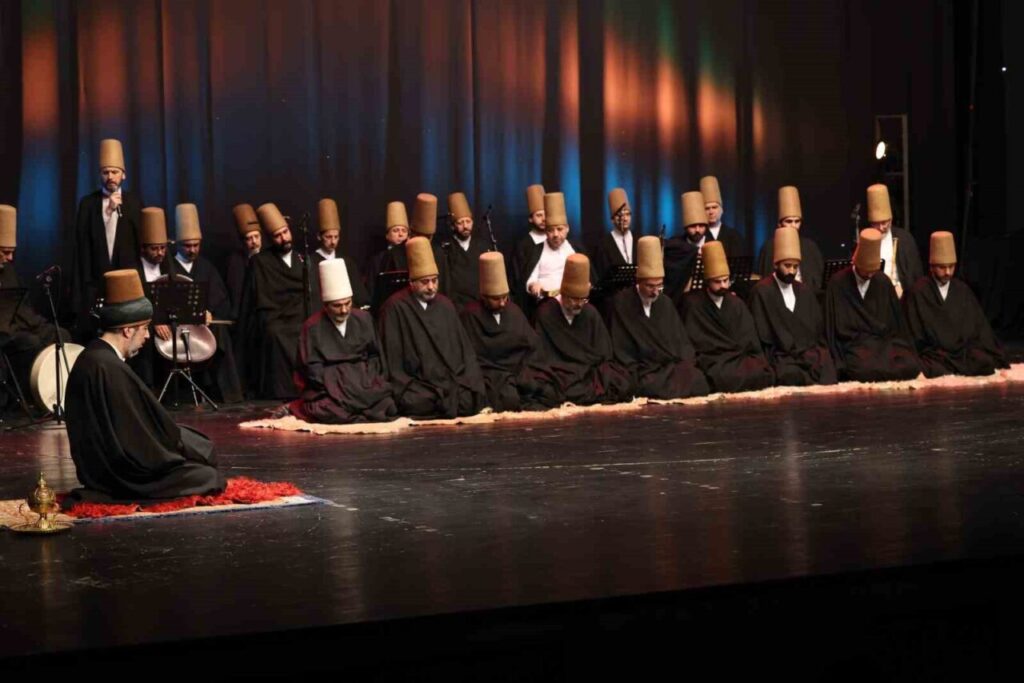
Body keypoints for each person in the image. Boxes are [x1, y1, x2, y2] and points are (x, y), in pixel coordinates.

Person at [64, 269, 224, 503]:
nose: (147, 336)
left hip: (96, 472)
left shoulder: (93, 357)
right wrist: (184, 448)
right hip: (121, 474)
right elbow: (141, 439)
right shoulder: (109, 367)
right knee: (208, 475)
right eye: (144, 328)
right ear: (128, 330)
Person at [377, 236, 486, 418]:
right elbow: (393, 363)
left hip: (448, 380)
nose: (431, 287)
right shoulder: (394, 308)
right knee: (416, 401)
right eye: (425, 281)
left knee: (468, 398)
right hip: (417, 383)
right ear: (411, 282)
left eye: (434, 281)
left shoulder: (445, 305)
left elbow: (463, 351)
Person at [287, 258, 396, 423]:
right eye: (337, 306)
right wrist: (340, 384)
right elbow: (311, 368)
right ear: (325, 305)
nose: (344, 310)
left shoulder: (364, 319)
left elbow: (375, 355)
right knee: (327, 409)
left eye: (348, 303)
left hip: (364, 384)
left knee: (388, 405)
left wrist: (365, 380)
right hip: (332, 390)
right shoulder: (312, 327)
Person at [460, 252, 564, 411]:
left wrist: (527, 369)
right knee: (508, 398)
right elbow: (471, 356)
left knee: (550, 391)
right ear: (484, 296)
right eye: (496, 299)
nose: (503, 303)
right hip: (491, 372)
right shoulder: (470, 314)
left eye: (505, 297)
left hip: (519, 368)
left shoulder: (513, 310)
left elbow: (532, 345)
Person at [609, 236, 709, 399]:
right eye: (650, 286)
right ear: (638, 281)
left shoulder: (665, 302)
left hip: (668, 365)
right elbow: (622, 346)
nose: (655, 292)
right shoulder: (622, 301)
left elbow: (680, 341)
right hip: (643, 368)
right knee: (643, 384)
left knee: (698, 379)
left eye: (659, 286)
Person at [238, 203, 320, 399]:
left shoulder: (303, 259)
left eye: (285, 232)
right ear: (269, 239)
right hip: (276, 316)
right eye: (278, 235)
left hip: (301, 313)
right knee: (275, 333)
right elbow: (256, 299)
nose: (284, 238)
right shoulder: (260, 262)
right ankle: (283, 390)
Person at [163, 203, 243, 403]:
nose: (192, 250)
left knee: (221, 334)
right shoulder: (168, 267)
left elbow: (220, 300)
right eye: (187, 245)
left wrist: (211, 313)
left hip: (203, 325)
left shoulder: (207, 267)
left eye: (196, 245)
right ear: (177, 244)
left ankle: (225, 394)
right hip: (176, 326)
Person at [902, 231, 1008, 377]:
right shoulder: (918, 291)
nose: (947, 272)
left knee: (984, 362)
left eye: (951, 267)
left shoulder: (962, 290)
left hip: (960, 352)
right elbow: (913, 334)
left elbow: (978, 328)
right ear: (931, 266)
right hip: (934, 354)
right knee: (921, 366)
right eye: (942, 267)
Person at [533, 254, 633, 405]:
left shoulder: (590, 312)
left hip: (588, 372)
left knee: (622, 381)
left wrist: (587, 368)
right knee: (545, 388)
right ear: (564, 294)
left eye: (583, 299)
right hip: (559, 372)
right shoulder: (546, 312)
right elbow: (541, 355)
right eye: (574, 299)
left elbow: (604, 353)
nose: (579, 304)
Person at [824, 228, 921, 382]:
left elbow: (896, 326)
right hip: (855, 346)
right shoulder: (838, 283)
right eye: (866, 271)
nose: (869, 275)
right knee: (862, 368)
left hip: (883, 344)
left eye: (873, 271)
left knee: (910, 364)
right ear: (856, 263)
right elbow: (834, 330)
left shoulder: (882, 281)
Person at [71, 139, 143, 338]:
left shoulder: (134, 203)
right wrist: (108, 212)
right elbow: (81, 247)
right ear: (100, 175)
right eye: (105, 172)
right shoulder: (87, 204)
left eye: (114, 172)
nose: (110, 177)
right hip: (95, 285)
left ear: (123, 174)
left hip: (126, 285)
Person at [681, 241, 775, 393]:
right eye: (717, 282)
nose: (723, 286)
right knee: (718, 377)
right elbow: (695, 343)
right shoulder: (693, 304)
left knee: (761, 371)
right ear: (707, 281)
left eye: (726, 280)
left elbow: (749, 339)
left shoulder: (736, 303)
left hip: (737, 356)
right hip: (714, 359)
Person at [0, 205, 72, 403]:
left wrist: (39, 325)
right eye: (5, 252)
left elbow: (22, 306)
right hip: (5, 330)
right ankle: (20, 399)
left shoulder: (8, 271)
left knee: (61, 334)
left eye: (12, 252)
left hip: (18, 324)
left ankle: (53, 397)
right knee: (30, 342)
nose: (10, 258)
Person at [749, 227, 837, 386]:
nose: (791, 271)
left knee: (826, 365)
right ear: (775, 264)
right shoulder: (762, 291)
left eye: (795, 267)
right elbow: (762, 334)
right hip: (781, 354)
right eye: (787, 265)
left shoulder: (804, 290)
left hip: (806, 351)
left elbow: (815, 328)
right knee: (789, 374)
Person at [755, 186, 825, 291]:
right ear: (779, 223)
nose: (793, 226)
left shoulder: (810, 247)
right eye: (788, 221)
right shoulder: (769, 248)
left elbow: (818, 281)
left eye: (797, 221)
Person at [866, 183, 923, 299]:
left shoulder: (905, 239)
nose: (881, 228)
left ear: (891, 219)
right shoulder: (865, 242)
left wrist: (904, 292)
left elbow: (916, 277)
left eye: (884, 222)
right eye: (876, 224)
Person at [311, 198, 369, 308]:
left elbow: (359, 293)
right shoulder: (311, 262)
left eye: (336, 237)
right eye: (328, 237)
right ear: (319, 237)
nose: (333, 241)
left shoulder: (347, 262)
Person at [442, 191, 491, 309]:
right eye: (460, 223)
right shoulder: (446, 249)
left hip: (481, 304)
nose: (465, 226)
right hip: (457, 306)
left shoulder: (482, 246)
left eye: (468, 221)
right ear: (452, 226)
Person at [663, 190, 708, 305]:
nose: (697, 230)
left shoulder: (713, 244)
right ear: (686, 227)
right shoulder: (676, 246)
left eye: (701, 226)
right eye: (693, 226)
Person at [509, 184, 548, 309]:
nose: (544, 219)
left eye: (546, 214)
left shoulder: (556, 240)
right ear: (531, 219)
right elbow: (516, 282)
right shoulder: (523, 245)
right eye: (539, 215)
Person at [225, 203, 262, 320]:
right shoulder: (235, 262)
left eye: (256, 236)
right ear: (243, 241)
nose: (254, 242)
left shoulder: (269, 257)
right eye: (249, 238)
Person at [592, 187, 637, 282]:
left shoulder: (639, 240)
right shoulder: (603, 246)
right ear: (612, 219)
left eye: (628, 214)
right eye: (620, 215)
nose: (625, 219)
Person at [700, 175, 748, 258]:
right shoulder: (699, 236)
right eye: (707, 208)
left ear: (722, 210)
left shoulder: (734, 236)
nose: (711, 212)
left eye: (714, 207)